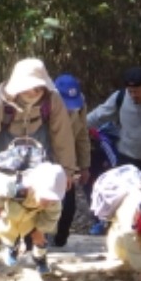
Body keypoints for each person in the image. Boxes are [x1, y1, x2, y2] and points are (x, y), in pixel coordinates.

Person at [0, 57, 78, 179]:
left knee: (39, 194)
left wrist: (66, 170)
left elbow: (62, 136)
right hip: (4, 154)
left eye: (37, 88)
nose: (33, 92)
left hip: (40, 152)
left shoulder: (53, 100)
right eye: (28, 88)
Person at [0, 160, 67, 271]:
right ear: (34, 187)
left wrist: (40, 230)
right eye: (44, 198)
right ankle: (9, 248)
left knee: (40, 239)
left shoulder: (54, 203)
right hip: (11, 211)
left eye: (52, 200)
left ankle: (39, 257)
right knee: (5, 230)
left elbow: (52, 217)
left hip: (31, 216)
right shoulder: (13, 187)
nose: (47, 203)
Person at [49, 74, 93, 248]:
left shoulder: (80, 105)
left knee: (68, 206)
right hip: (46, 161)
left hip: (67, 163)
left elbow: (82, 135)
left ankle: (60, 242)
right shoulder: (43, 106)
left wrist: (84, 166)